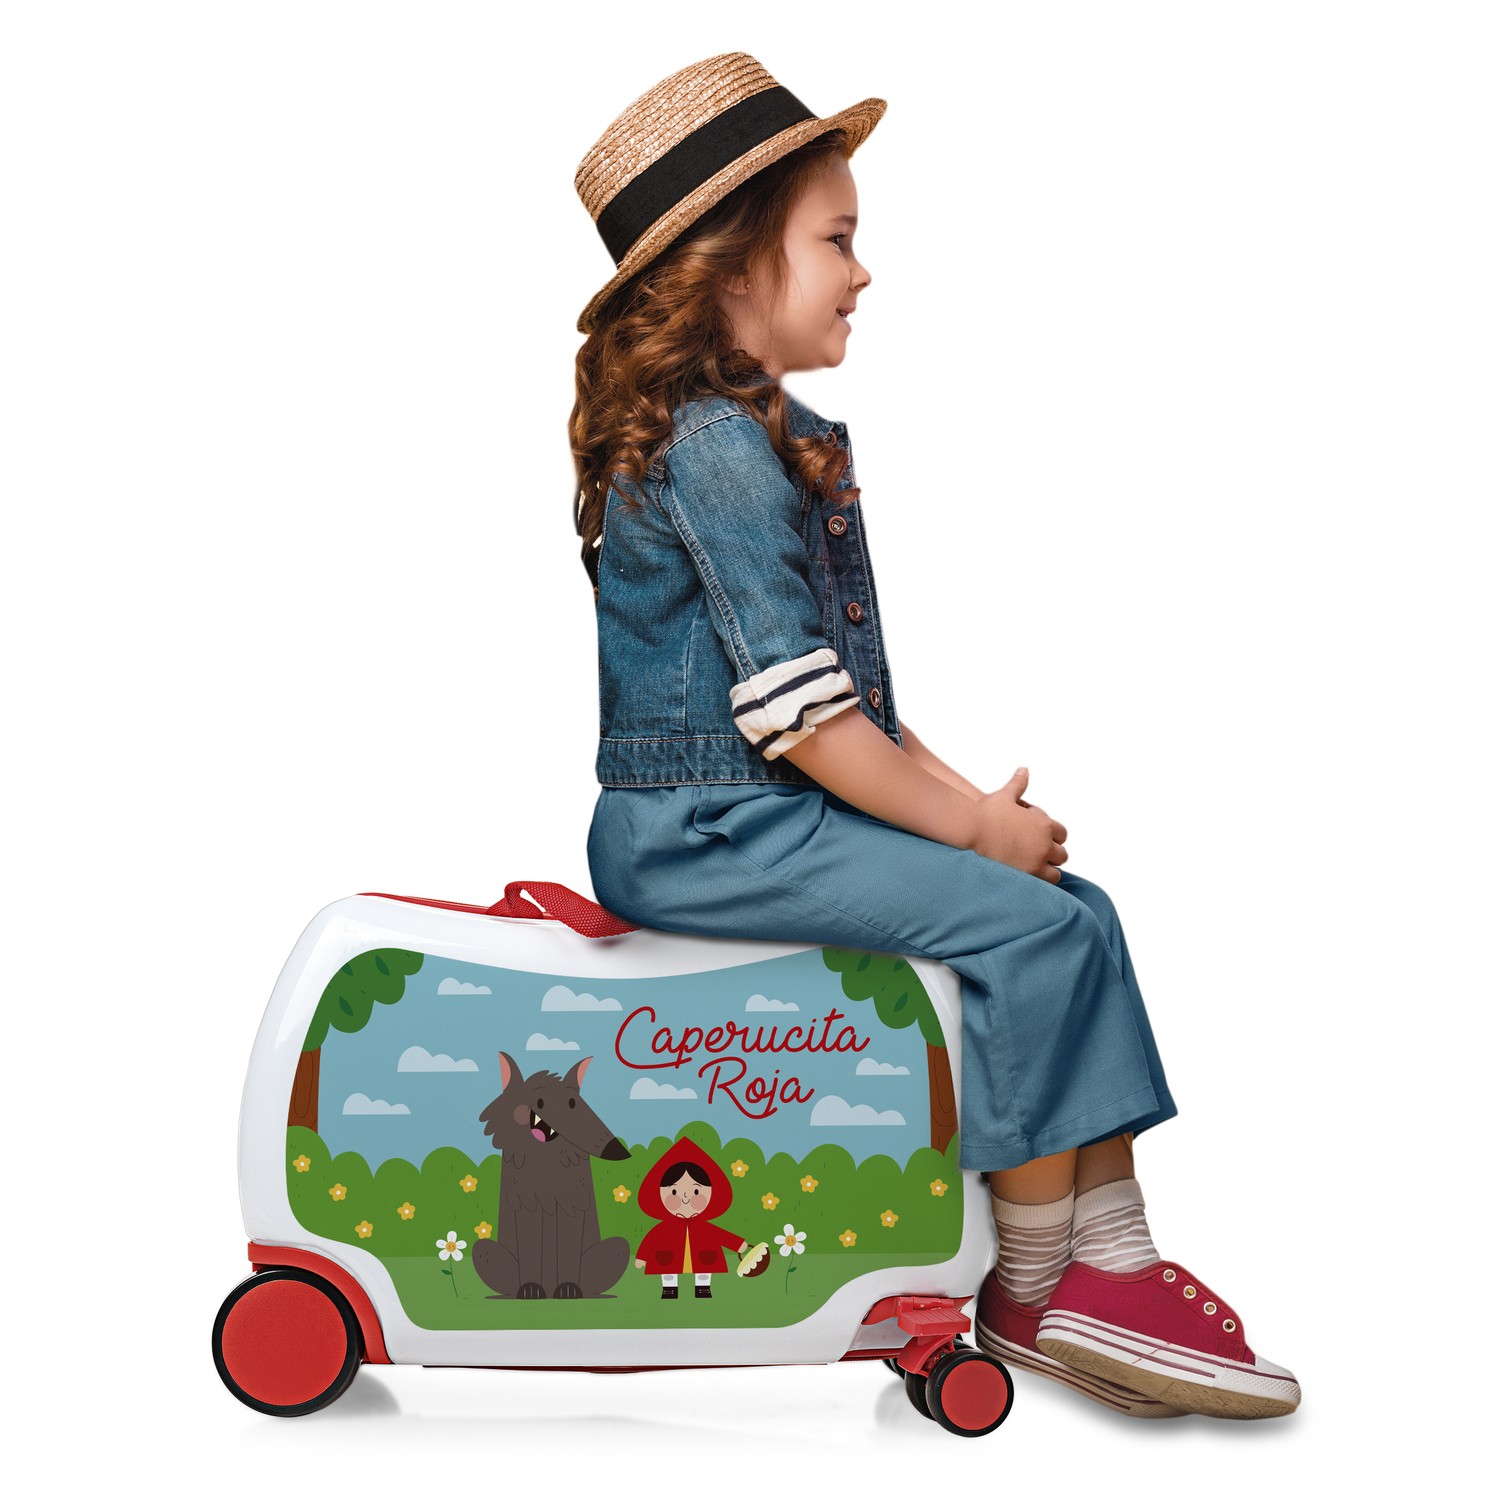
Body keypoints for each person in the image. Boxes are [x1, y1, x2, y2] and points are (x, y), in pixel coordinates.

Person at [569, 52, 1299, 1421]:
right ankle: (1041, 1285)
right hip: (708, 828)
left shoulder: (763, 437)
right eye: (835, 240)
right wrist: (967, 829)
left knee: (1071, 912)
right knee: (1033, 935)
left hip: (757, 813)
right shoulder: (716, 446)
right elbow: (800, 718)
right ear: (731, 268)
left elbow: (852, 707)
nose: (864, 271)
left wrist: (983, 819)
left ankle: (1107, 1259)